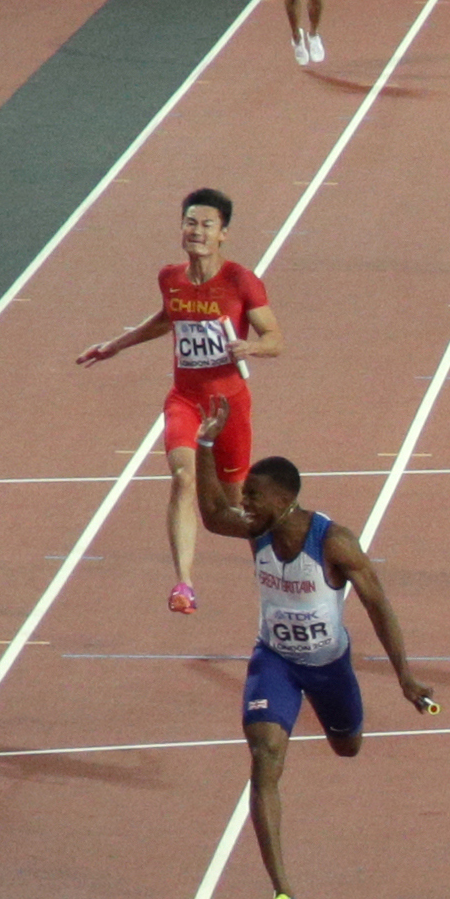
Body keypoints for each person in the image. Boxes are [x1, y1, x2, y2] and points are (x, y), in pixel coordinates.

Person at [190, 399, 434, 899]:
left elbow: (379, 606)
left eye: (254, 496)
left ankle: (342, 721)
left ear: (283, 498)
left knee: (347, 747)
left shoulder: (335, 543)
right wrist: (204, 445)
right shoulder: (256, 529)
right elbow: (211, 517)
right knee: (265, 754)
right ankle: (283, 893)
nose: (245, 505)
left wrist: (405, 677)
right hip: (274, 661)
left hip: (329, 666)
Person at [74, 188, 284, 615]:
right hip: (185, 401)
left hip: (229, 408)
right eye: (190, 222)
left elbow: (275, 338)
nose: (197, 231)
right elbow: (167, 318)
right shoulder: (170, 277)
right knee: (184, 479)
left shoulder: (241, 280)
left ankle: (278, 581)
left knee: (236, 507)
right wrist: (116, 344)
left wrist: (253, 349)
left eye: (207, 225)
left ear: (223, 233)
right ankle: (184, 583)